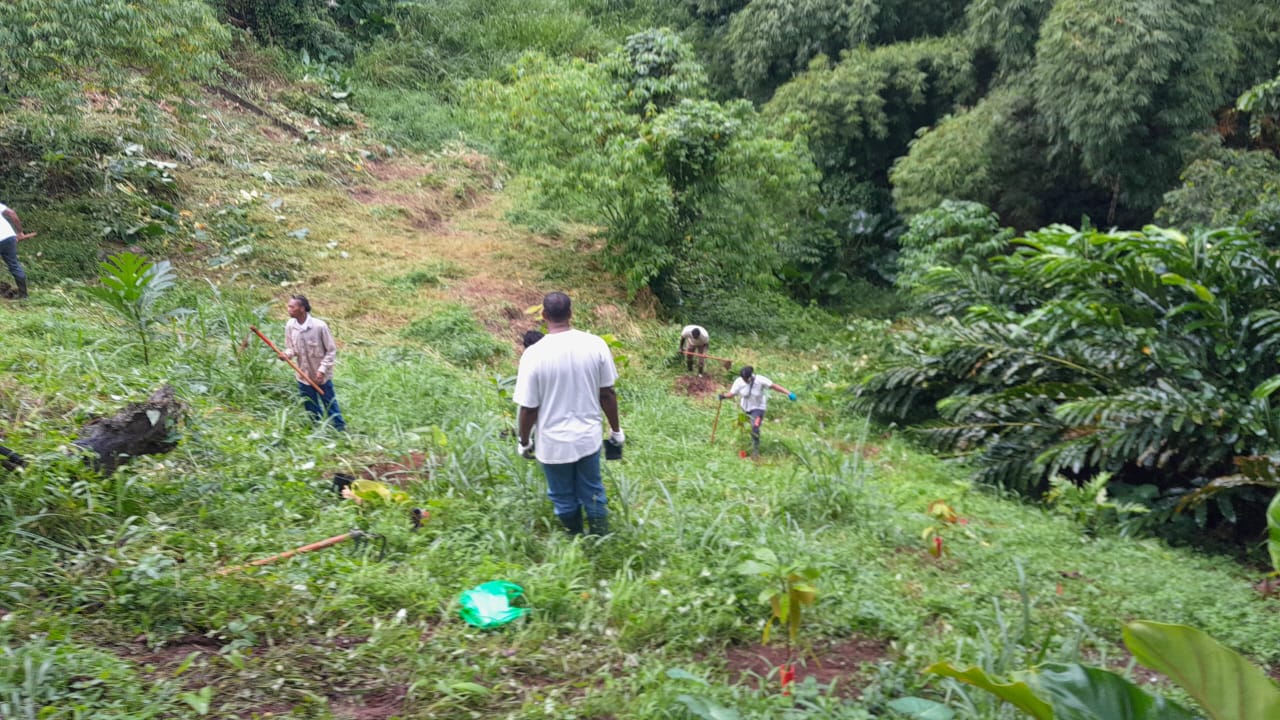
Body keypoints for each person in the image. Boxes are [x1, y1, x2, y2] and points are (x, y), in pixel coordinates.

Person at [514, 292, 623, 536]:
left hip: (553, 444)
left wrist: (524, 441)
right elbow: (607, 394)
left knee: (562, 497)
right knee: (593, 491)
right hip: (588, 437)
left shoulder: (532, 355)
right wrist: (616, 431)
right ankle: (600, 541)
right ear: (571, 314)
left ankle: (575, 539)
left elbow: (529, 409)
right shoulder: (595, 344)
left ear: (543, 316)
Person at [280, 294, 346, 431]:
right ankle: (318, 429)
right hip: (303, 374)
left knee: (329, 402)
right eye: (288, 306)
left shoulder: (319, 327)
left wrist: (322, 370)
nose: (288, 309)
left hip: (321, 375)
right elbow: (291, 348)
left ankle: (340, 430)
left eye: (292, 307)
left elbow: (331, 350)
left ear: (302, 309)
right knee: (310, 405)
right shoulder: (290, 326)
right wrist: (286, 355)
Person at [719, 365, 795, 458]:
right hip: (745, 408)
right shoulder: (739, 382)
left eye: (746, 378)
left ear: (750, 376)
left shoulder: (760, 380)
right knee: (741, 427)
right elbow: (732, 393)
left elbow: (774, 386)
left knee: (755, 427)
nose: (745, 380)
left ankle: (755, 450)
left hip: (758, 408)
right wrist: (724, 396)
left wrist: (788, 393)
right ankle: (743, 447)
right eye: (743, 378)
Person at [0, 202, 35, 299]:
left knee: (14, 265)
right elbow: (12, 213)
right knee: (14, 265)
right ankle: (24, 295)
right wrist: (20, 232)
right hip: (9, 237)